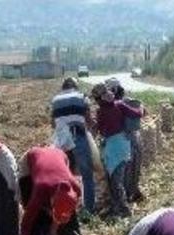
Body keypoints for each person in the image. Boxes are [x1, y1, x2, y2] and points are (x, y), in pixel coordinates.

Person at [18, 146, 82, 235]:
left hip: (59, 155)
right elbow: (24, 229)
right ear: (52, 201)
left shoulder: (76, 187)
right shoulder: (40, 190)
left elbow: (65, 211)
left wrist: (54, 229)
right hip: (31, 160)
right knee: (34, 216)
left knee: (64, 223)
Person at [91, 82, 144, 218]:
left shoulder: (100, 111)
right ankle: (119, 207)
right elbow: (137, 114)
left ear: (97, 99)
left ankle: (124, 210)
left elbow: (101, 130)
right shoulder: (119, 104)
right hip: (120, 144)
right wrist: (141, 108)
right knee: (116, 180)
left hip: (113, 146)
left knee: (115, 180)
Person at [50, 77, 97, 215]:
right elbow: (88, 120)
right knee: (87, 174)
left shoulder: (55, 100)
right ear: (75, 86)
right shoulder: (81, 97)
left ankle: (68, 209)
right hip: (78, 136)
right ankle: (89, 210)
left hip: (62, 140)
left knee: (65, 175)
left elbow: (53, 123)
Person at [107, 78, 145, 202]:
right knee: (135, 167)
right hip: (133, 138)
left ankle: (124, 196)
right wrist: (142, 108)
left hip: (119, 142)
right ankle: (132, 192)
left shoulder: (109, 106)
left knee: (122, 171)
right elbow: (140, 113)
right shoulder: (126, 102)